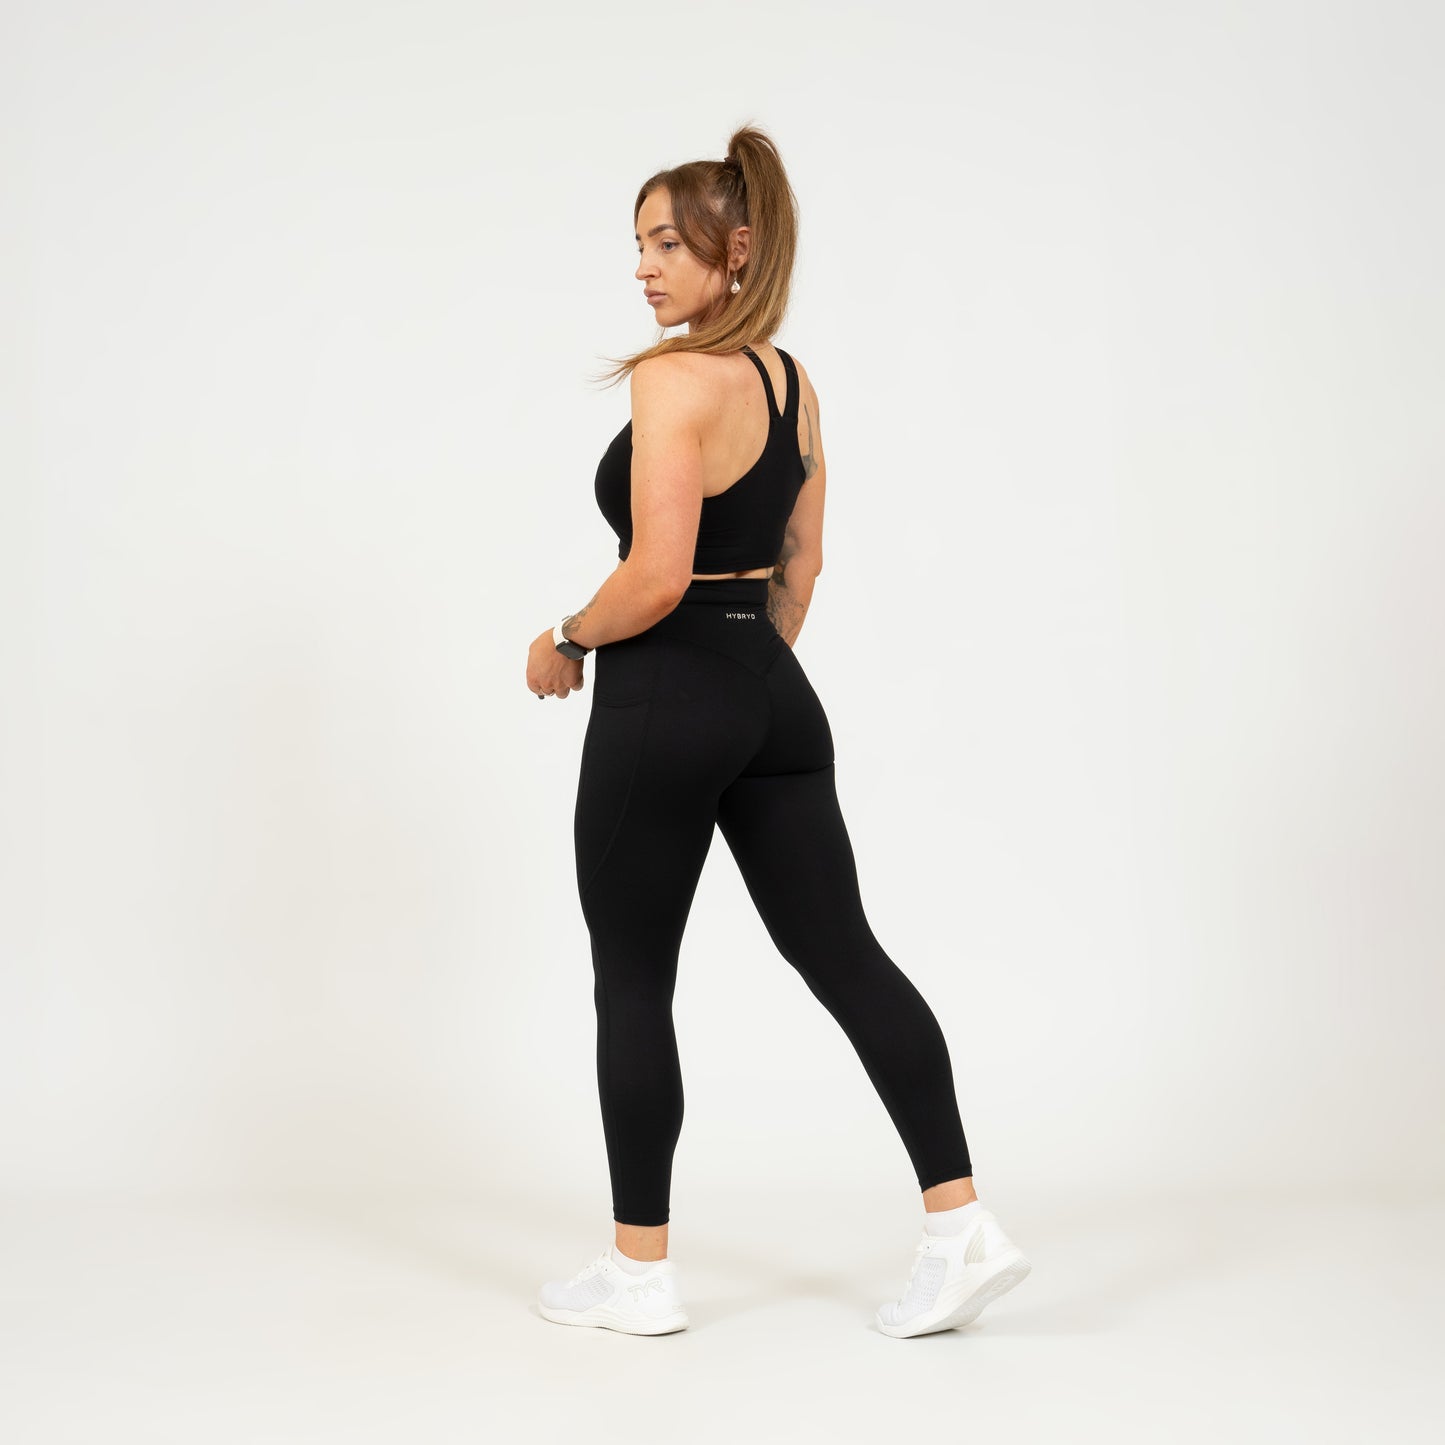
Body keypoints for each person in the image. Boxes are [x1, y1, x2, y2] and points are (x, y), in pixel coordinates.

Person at [525, 124, 1031, 1337]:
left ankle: (638, 1272)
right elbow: (800, 566)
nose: (642, 268)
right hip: (770, 691)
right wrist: (745, 678)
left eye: (666, 243)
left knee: (631, 980)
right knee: (846, 955)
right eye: (637, 245)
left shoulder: (672, 380)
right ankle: (960, 1227)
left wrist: (568, 638)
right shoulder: (791, 383)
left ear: (735, 249)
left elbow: (654, 575)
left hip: (662, 694)